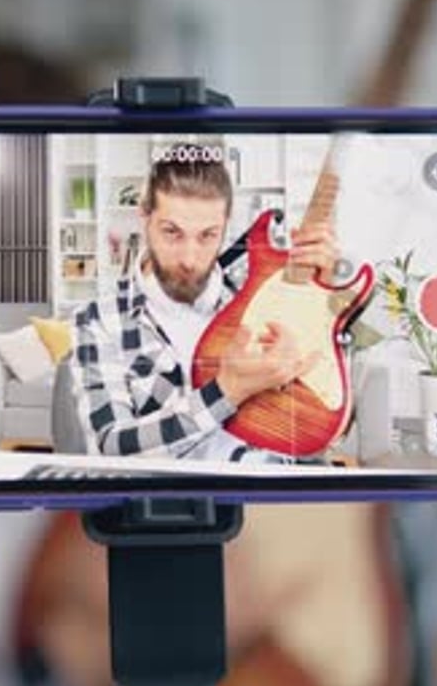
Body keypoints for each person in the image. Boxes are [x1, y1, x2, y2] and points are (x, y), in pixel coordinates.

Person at [70, 144, 336, 463]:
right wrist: (227, 391)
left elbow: (319, 428)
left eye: (208, 235)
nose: (189, 258)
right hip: (156, 506)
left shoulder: (261, 303)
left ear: (226, 224)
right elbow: (111, 445)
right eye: (172, 232)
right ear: (144, 216)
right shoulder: (99, 320)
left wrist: (320, 304)